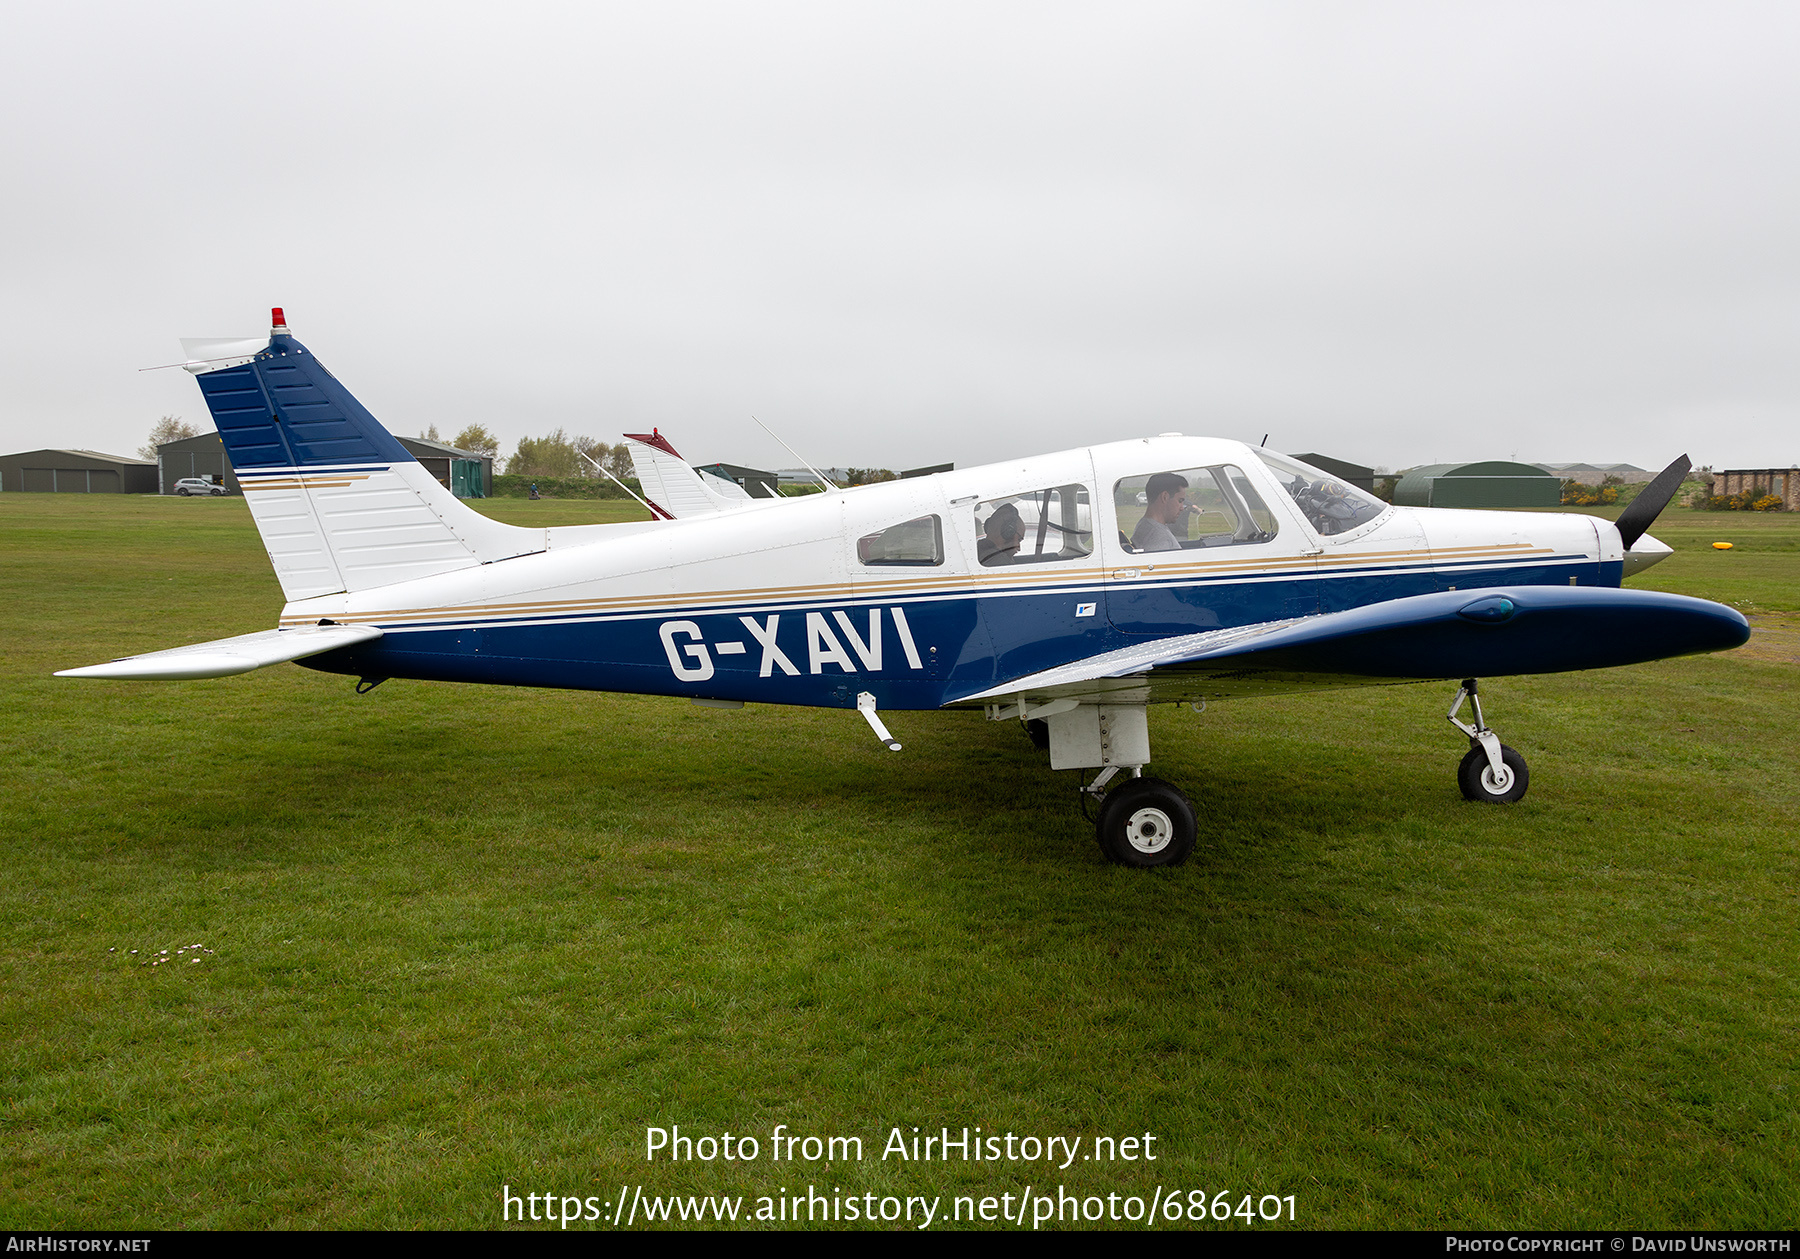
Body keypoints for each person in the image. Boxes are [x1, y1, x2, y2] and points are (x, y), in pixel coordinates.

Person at [1130, 472, 1189, 551]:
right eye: (1180, 501)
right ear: (1165, 497)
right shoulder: (1159, 538)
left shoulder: (1145, 524)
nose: (1182, 508)